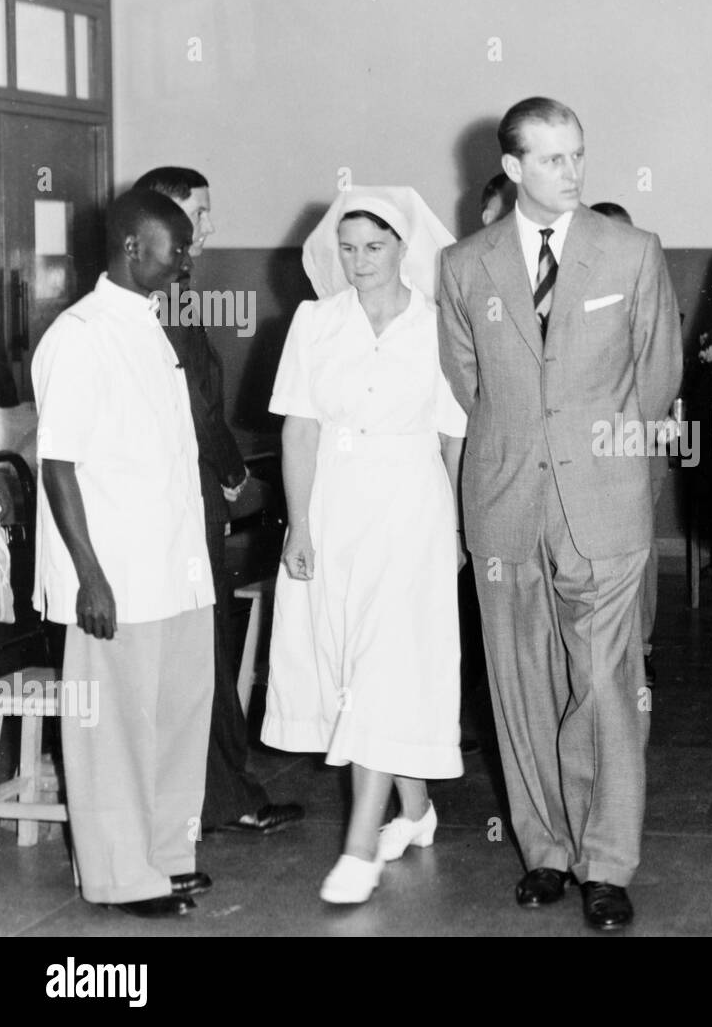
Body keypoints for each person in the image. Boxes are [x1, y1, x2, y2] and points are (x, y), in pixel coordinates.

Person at [438, 97, 682, 931]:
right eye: (551, 160)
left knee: (609, 684)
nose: (572, 173)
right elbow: (472, 387)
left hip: (605, 502)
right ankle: (545, 849)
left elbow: (656, 382)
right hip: (505, 501)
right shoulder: (464, 265)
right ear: (512, 169)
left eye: (578, 155)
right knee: (518, 684)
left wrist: (610, 461)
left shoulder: (631, 252)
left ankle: (607, 862)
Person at [260, 187, 466, 904]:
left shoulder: (440, 325)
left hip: (413, 507)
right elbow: (299, 430)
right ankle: (415, 811)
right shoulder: (316, 322)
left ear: (404, 247)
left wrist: (459, 529)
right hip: (333, 504)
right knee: (352, 662)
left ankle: (358, 850)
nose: (359, 261)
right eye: (347, 248)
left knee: (388, 662)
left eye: (374, 247)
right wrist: (300, 524)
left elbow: (452, 438)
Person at [33, 189, 215, 918]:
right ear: (134, 247)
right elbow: (58, 464)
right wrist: (91, 577)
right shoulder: (79, 335)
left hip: (174, 567)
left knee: (177, 718)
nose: (187, 264)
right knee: (111, 730)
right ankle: (119, 876)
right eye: (177, 250)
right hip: (115, 577)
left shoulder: (151, 327)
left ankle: (169, 856)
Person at [133, 166, 305, 838]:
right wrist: (235, 478)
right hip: (185, 506)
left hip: (185, 505)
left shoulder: (171, 293)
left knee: (205, 650)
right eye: (198, 215)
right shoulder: (163, 298)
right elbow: (196, 406)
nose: (209, 229)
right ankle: (222, 794)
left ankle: (215, 791)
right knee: (203, 651)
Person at [590, 200, 666, 686]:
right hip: (586, 441)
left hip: (638, 435)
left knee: (639, 543)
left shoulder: (648, 287)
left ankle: (640, 647)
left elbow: (660, 372)